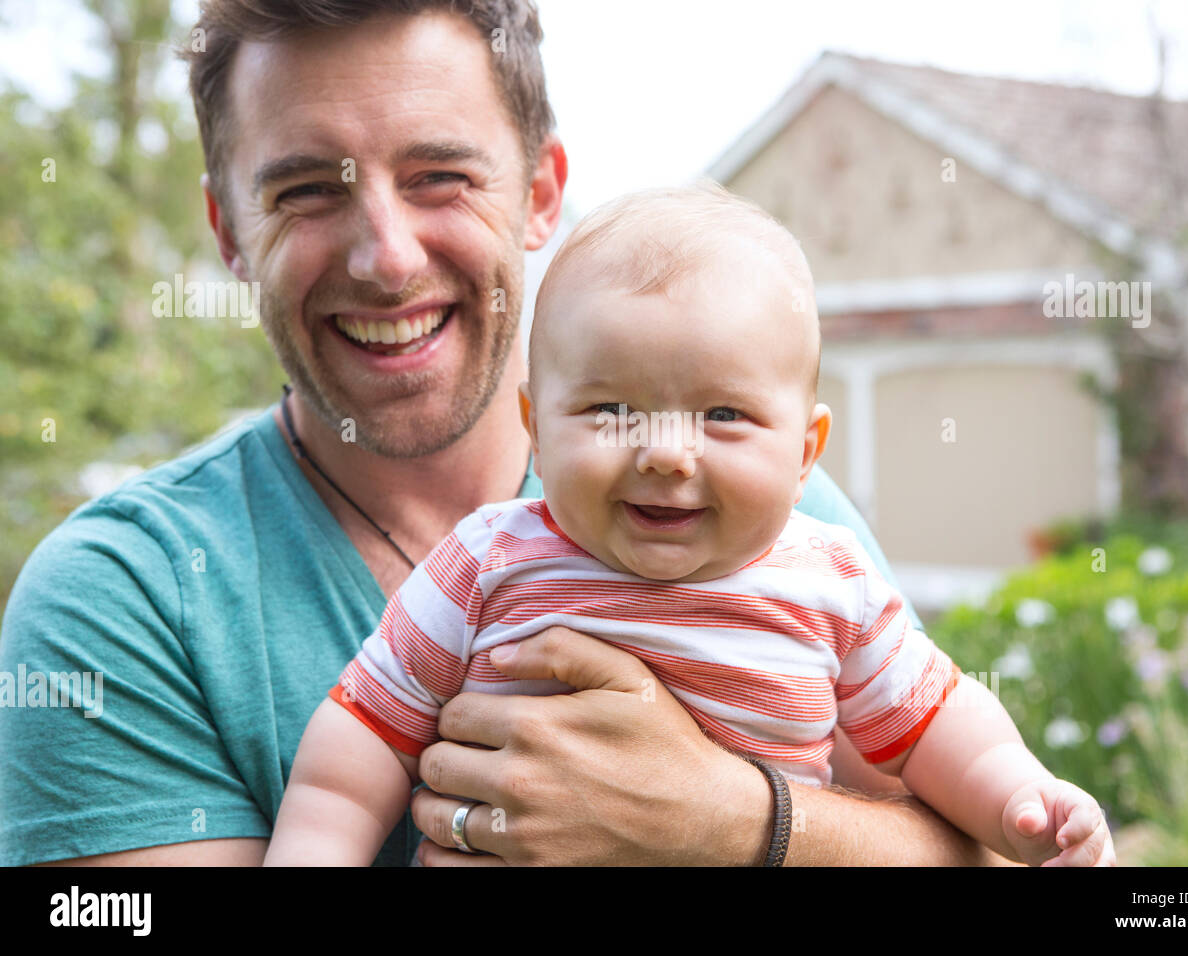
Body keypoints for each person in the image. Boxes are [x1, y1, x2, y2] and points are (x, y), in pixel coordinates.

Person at [0, 0, 1025, 866]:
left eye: (440, 175)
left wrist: (733, 815)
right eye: (307, 189)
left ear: (539, 193)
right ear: (228, 229)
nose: (386, 259)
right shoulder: (124, 596)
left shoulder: (777, 513)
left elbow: (974, 840)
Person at [263, 185, 1115, 867]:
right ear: (538, 423)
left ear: (806, 448)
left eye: (722, 414)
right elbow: (360, 739)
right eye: (609, 409)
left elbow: (938, 724)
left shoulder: (830, 580)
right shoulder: (489, 560)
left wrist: (1021, 801)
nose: (666, 453)